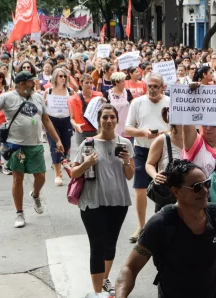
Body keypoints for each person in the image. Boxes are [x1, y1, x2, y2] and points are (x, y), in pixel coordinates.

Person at [115, 160, 216, 298]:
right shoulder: (161, 224)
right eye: (197, 187)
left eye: (207, 184)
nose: (205, 191)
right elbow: (130, 268)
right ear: (176, 192)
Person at [0, 71, 65, 228]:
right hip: (16, 146)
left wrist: (57, 140)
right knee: (18, 179)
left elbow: (46, 120)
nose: (35, 84)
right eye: (31, 82)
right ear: (22, 84)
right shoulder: (7, 97)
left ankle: (35, 194)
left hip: (35, 145)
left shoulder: (37, 96)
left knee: (41, 176)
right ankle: (19, 213)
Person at [70, 104, 134, 296]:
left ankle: (104, 279)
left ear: (117, 120)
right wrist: (87, 163)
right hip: (92, 202)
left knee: (110, 244)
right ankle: (98, 293)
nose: (108, 121)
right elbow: (73, 172)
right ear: (98, 120)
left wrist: (125, 161)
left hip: (118, 202)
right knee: (97, 245)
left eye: (112, 117)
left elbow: (130, 175)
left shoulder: (125, 144)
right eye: (105, 117)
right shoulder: (88, 144)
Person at [124, 73, 170, 243]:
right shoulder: (137, 103)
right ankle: (141, 226)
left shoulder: (170, 102)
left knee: (166, 190)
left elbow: (178, 127)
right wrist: (143, 132)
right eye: (149, 86)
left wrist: (165, 134)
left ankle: (163, 224)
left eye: (155, 86)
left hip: (165, 150)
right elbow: (128, 129)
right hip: (142, 149)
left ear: (162, 87)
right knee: (140, 189)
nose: (152, 89)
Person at [145, 107, 184, 212]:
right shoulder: (162, 140)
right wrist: (155, 175)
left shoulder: (196, 140)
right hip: (167, 197)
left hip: (189, 197)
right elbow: (149, 164)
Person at [43, 68, 74, 186]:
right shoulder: (49, 91)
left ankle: (62, 163)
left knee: (66, 146)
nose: (63, 78)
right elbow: (43, 107)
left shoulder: (70, 91)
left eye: (64, 76)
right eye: (60, 76)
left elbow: (75, 103)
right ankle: (57, 173)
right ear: (55, 77)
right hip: (52, 120)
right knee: (55, 146)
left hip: (66, 120)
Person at [69, 74, 104, 153]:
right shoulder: (73, 99)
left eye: (91, 83)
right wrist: (76, 126)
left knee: (97, 155)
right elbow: (72, 118)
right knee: (83, 155)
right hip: (81, 131)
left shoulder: (98, 96)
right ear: (81, 84)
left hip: (96, 130)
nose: (89, 85)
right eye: (87, 82)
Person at [104, 72, 133, 138]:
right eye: (122, 81)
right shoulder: (107, 94)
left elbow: (133, 106)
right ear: (116, 83)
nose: (125, 83)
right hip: (113, 126)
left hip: (126, 126)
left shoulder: (127, 92)